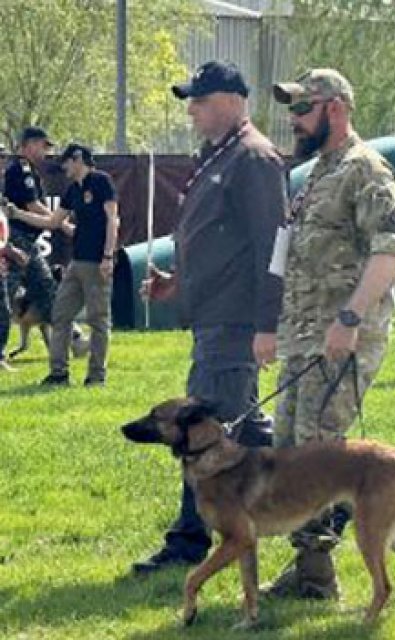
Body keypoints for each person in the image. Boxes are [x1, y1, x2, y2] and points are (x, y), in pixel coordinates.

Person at [267, 68, 395, 600]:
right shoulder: (319, 172)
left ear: (336, 108)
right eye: (292, 111)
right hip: (304, 336)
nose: (293, 120)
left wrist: (349, 319)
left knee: (319, 454)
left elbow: (389, 252)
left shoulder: (367, 170)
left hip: (343, 335)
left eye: (303, 109)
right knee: (289, 452)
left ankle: (323, 571)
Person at [131, 60, 283, 575]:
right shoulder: (222, 156)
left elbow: (272, 247)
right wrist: (177, 284)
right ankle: (334, 504)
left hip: (235, 323)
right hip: (215, 316)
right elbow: (220, 243)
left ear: (230, 99)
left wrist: (267, 323)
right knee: (257, 437)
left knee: (199, 435)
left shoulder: (253, 158)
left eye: (198, 100)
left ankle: (189, 540)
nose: (191, 110)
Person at [40, 144, 118, 386]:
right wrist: (15, 213)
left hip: (97, 262)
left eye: (66, 163)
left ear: (78, 159)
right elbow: (54, 221)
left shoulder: (101, 181)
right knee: (60, 314)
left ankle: (96, 376)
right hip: (76, 261)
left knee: (98, 320)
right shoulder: (73, 189)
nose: (63, 168)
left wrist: (107, 256)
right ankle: (58, 373)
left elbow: (112, 220)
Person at [1, 127, 65, 372]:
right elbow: (33, 205)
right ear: (28, 144)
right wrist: (61, 223)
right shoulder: (22, 169)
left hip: (28, 242)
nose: (45, 152)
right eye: (42, 146)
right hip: (17, 239)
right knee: (5, 296)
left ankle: (73, 341)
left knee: (47, 289)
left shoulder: (28, 170)